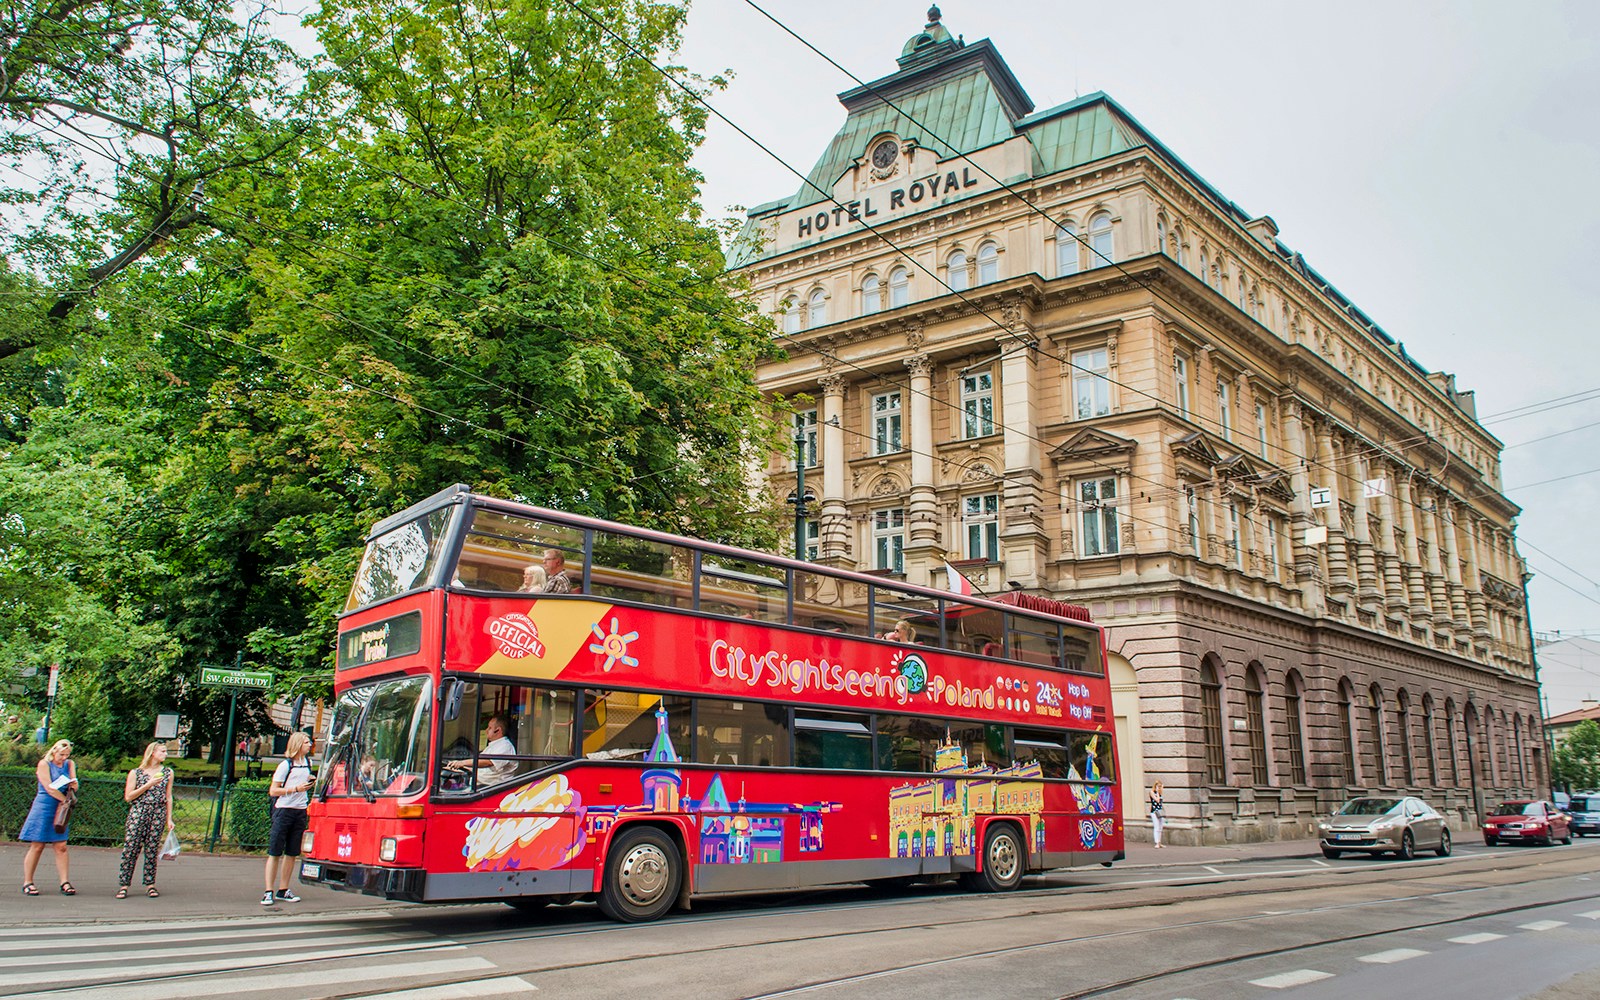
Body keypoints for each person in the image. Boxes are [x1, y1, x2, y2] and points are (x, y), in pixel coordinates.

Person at [262, 732, 315, 906]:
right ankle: (268, 890)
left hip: (299, 810)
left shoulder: (308, 763)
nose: (310, 744)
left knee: (292, 852)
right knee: (275, 851)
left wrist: (308, 783)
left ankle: (283, 889)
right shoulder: (286, 765)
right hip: (284, 810)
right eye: (307, 742)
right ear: (298, 744)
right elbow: (273, 790)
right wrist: (296, 789)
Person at [20, 739, 77, 896]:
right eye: (61, 754)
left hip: (61, 808)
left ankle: (64, 881)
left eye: (66, 755)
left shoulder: (70, 764)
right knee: (37, 845)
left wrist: (73, 785)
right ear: (54, 751)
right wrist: (65, 800)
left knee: (61, 845)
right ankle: (28, 881)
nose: (64, 758)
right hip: (45, 804)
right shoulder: (44, 764)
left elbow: (74, 781)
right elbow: (49, 788)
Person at [118, 741, 175, 898]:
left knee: (151, 848)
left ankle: (150, 884)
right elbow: (128, 796)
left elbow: (168, 796)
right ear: (152, 753)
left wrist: (169, 818)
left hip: (158, 811)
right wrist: (148, 784)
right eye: (162, 751)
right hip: (139, 810)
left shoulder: (167, 772)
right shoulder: (136, 773)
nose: (165, 754)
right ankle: (124, 884)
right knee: (131, 847)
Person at [445, 714, 519, 783]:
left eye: (489, 728)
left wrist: (462, 763)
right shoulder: (494, 745)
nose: (486, 730)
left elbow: (487, 762)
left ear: (498, 730)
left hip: (493, 788)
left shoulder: (505, 746)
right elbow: (482, 771)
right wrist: (460, 767)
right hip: (481, 783)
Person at [1149, 780, 1166, 848]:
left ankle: (1159, 842)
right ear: (1155, 786)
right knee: (1156, 827)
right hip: (1154, 812)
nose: (1159, 788)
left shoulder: (1160, 793)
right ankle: (1157, 843)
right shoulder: (1152, 792)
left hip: (1160, 811)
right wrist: (1158, 793)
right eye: (1158, 786)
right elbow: (1157, 800)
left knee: (1160, 827)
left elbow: (1161, 803)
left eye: (1160, 786)